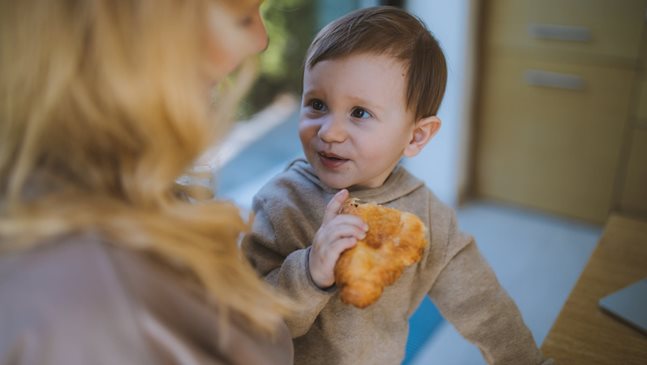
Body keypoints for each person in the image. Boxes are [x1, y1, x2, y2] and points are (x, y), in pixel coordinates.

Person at [242, 6, 554, 365]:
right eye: (316, 104)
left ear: (416, 136)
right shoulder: (280, 203)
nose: (329, 131)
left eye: (359, 113)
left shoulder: (427, 219)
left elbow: (482, 305)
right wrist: (310, 270)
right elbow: (248, 321)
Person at [0, 0, 294, 364]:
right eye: (243, 17)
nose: (260, 40)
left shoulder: (114, 195)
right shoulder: (99, 299)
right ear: (134, 34)